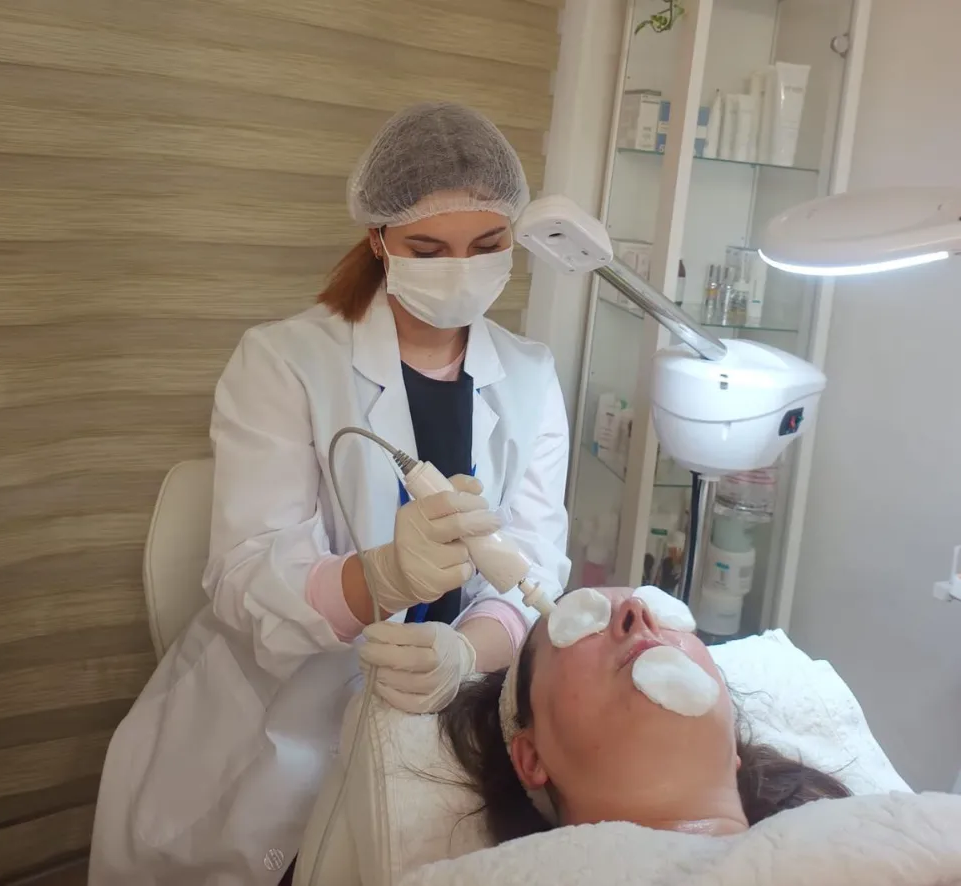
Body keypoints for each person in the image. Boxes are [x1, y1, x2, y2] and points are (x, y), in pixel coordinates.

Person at [88, 102, 571, 885]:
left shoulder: (531, 375)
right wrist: (381, 578)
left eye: (488, 245)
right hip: (278, 725)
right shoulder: (284, 361)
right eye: (428, 249)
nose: (461, 269)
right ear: (380, 240)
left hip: (449, 713)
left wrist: (466, 651)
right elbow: (247, 577)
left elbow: (535, 560)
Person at [440, 588, 849, 845]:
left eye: (665, 609)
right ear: (532, 757)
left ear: (732, 742)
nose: (637, 611)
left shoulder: (859, 841)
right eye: (581, 621)